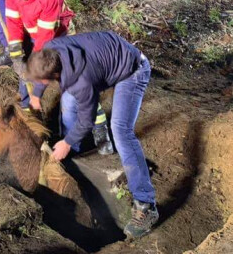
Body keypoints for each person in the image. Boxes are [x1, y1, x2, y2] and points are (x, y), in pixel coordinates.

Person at [25, 31, 159, 239]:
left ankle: (146, 205)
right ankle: (70, 162)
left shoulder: (81, 82)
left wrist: (67, 142)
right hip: (109, 53)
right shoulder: (52, 50)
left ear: (55, 76)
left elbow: (86, 119)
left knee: (121, 130)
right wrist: (36, 95)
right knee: (69, 102)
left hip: (133, 71)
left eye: (44, 82)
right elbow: (44, 70)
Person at [4, 0, 114, 155]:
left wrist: (33, 70)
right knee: (25, 86)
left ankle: (99, 130)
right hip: (34, 35)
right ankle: (33, 131)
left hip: (60, 38)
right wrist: (17, 58)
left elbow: (45, 43)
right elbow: (13, 23)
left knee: (76, 86)